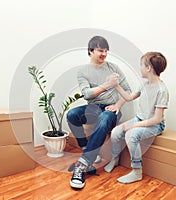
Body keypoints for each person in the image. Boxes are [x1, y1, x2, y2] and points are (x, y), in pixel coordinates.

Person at [67, 36, 132, 189]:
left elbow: (128, 90)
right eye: (100, 51)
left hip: (110, 109)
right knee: (72, 115)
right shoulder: (83, 71)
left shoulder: (113, 68)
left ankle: (82, 165)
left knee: (104, 117)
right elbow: (87, 94)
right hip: (93, 108)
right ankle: (87, 149)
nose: (103, 54)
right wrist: (107, 84)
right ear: (90, 51)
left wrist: (117, 105)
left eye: (105, 51)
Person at [104, 52, 169, 184]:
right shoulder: (144, 85)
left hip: (155, 125)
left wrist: (133, 126)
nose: (140, 68)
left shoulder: (162, 90)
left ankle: (137, 171)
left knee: (131, 135)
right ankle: (115, 159)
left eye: (141, 65)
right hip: (140, 119)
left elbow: (157, 119)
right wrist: (115, 85)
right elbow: (128, 98)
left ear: (148, 68)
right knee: (116, 131)